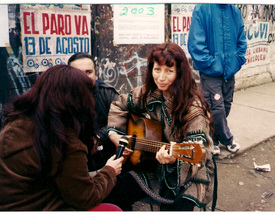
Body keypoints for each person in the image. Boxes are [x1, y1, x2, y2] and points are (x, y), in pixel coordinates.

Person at [105, 42, 216, 211]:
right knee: (115, 192)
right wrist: (115, 135)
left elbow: (198, 151)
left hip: (190, 175)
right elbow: (119, 105)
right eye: (157, 69)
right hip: (156, 167)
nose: (161, 78)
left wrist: (174, 157)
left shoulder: (193, 109)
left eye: (169, 71)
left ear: (179, 73)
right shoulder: (149, 93)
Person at [0, 65, 124, 211]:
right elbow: (85, 197)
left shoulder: (17, 120)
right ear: (78, 100)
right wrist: (110, 171)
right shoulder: (63, 140)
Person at [188, 4, 247, 155]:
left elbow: (241, 39)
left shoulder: (234, 11)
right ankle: (227, 139)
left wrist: (238, 60)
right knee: (217, 107)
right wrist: (211, 64)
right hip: (210, 71)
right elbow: (196, 43)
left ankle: (213, 137)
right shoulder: (202, 9)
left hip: (230, 70)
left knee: (226, 105)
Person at [68, 53, 119, 171]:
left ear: (96, 74)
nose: (84, 77)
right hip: (78, 167)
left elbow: (124, 117)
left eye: (88, 72)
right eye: (79, 73)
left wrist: (100, 135)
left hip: (109, 164)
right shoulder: (61, 99)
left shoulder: (107, 93)